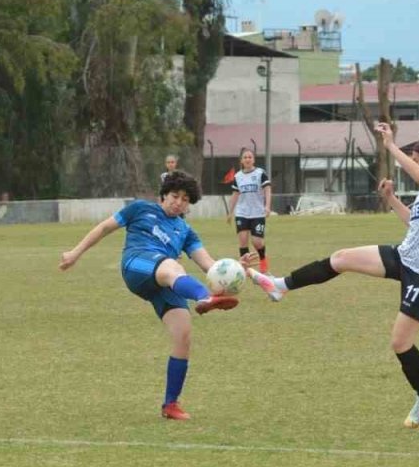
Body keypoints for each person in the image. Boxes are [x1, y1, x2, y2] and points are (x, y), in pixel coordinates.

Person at [263, 125, 419, 429]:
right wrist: (393, 199)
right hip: (405, 257)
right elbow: (416, 223)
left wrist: (390, 146)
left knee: (400, 343)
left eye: (416, 158)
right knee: (341, 258)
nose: (413, 163)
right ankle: (281, 286)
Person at [59, 171, 266, 421]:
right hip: (137, 265)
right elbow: (104, 228)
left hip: (165, 281)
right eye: (175, 196)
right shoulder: (139, 209)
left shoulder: (186, 231)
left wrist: (234, 268)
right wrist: (75, 253)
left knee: (183, 333)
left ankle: (170, 404)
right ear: (164, 195)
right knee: (172, 266)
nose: (178, 203)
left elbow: (208, 265)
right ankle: (203, 298)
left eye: (185, 200)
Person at [226, 147, 272, 273]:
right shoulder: (238, 176)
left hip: (258, 213)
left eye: (250, 157)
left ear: (254, 159)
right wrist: (230, 213)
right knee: (243, 241)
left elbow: (267, 189)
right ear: (241, 160)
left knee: (257, 242)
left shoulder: (260, 173)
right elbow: (235, 194)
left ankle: (263, 259)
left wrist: (267, 206)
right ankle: (245, 269)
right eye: (245, 157)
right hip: (242, 213)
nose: (247, 159)